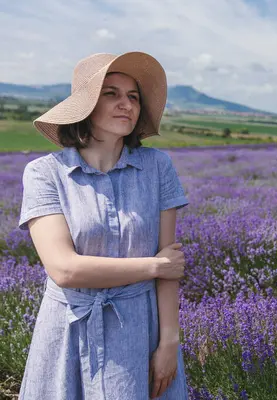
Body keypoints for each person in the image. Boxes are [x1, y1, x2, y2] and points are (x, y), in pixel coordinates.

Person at [17, 52, 189, 399]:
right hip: (70, 328)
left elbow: (170, 271)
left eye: (133, 97)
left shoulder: (158, 168)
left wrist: (169, 341)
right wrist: (154, 266)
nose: (126, 104)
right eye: (110, 93)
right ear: (85, 106)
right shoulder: (44, 173)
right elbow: (64, 269)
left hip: (141, 328)